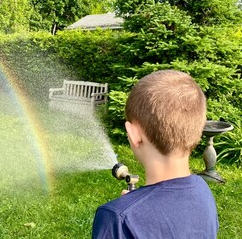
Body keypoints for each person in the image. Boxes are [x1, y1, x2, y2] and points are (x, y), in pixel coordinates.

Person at [92, 70, 219, 239]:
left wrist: (130, 209)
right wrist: (135, 206)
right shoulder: (203, 190)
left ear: (133, 134)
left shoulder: (117, 219)